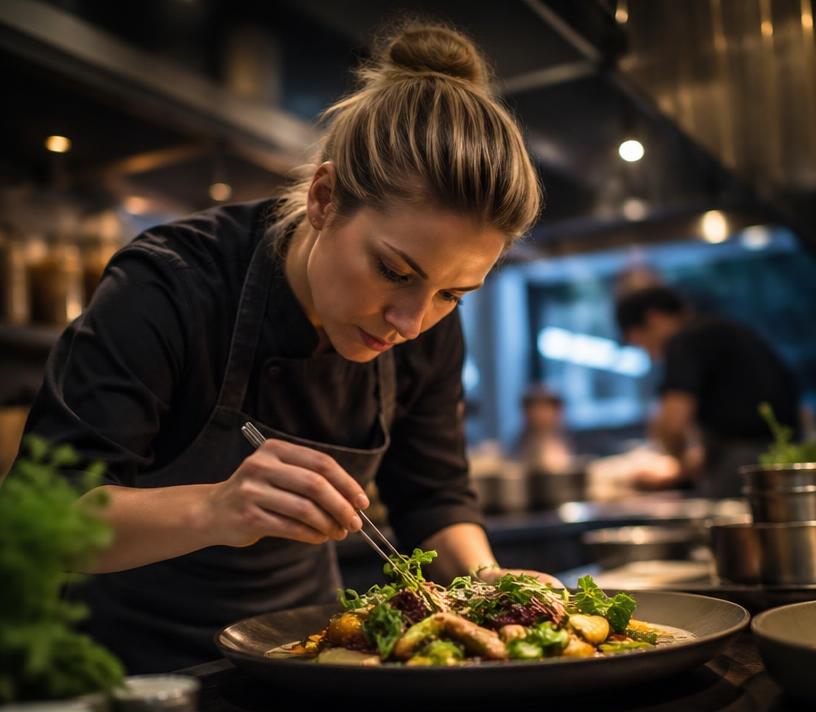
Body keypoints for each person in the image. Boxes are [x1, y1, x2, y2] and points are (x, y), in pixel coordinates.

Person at [16, 22, 558, 672]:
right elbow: (41, 520)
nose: (413, 321)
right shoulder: (171, 283)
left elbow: (433, 497)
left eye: (453, 294)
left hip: (307, 665)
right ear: (325, 198)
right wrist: (216, 507)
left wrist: (491, 587)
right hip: (133, 675)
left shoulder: (426, 321)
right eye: (395, 271)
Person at [616, 285, 800, 498]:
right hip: (786, 455)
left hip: (742, 463)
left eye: (638, 340)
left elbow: (672, 423)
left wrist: (681, 464)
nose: (647, 353)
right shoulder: (724, 328)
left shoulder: (685, 341)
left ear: (654, 318)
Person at [513, 386, 573, 471]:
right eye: (536, 409)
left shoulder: (569, 439)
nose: (541, 415)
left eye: (546, 408)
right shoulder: (519, 445)